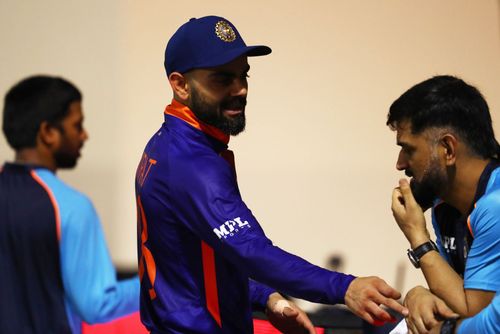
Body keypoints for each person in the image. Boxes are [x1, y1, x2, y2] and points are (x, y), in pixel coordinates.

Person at [135, 15, 408, 334]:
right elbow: (252, 250)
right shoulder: (191, 164)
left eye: (243, 75)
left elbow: (188, 261)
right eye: (222, 79)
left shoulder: (164, 144)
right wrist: (344, 288)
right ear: (180, 85)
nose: (240, 89)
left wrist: (265, 297)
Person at [0, 75, 140, 333]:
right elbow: (98, 304)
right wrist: (158, 281)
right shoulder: (72, 207)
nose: (84, 135)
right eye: (78, 125)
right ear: (48, 133)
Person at [387, 75, 500, 333]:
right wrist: (418, 295)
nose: (400, 164)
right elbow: (454, 297)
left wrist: (419, 239)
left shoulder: (495, 206)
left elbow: (478, 319)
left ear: (448, 149)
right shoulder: (444, 205)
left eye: (409, 149)